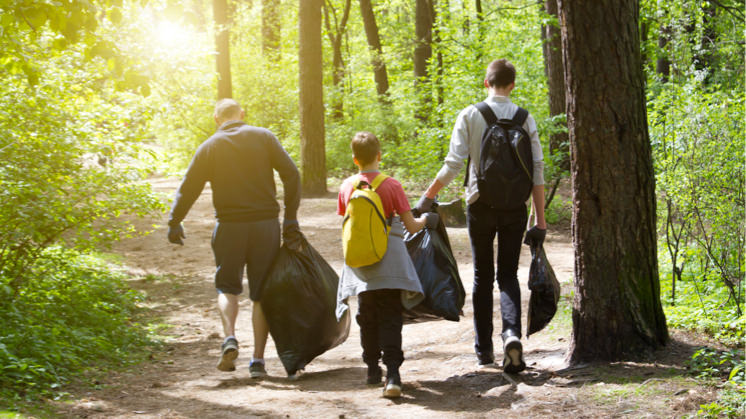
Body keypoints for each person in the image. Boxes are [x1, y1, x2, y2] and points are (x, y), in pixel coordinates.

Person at [415, 59, 547, 373]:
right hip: (515, 208)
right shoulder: (525, 119)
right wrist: (540, 219)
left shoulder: (470, 114)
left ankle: (484, 350)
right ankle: (512, 334)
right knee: (508, 276)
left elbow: (453, 164)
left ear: (486, 83)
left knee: (482, 277)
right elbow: (538, 171)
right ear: (512, 85)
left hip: (480, 204)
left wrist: (427, 198)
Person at [167, 98, 302, 379]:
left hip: (229, 227)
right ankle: (257, 362)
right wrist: (290, 217)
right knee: (261, 293)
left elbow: (188, 188)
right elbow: (291, 174)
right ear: (242, 114)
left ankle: (229, 337)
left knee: (227, 288)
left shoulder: (210, 146)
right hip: (266, 226)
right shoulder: (263, 137)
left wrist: (175, 220)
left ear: (217, 119)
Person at [336, 131, 439, 398]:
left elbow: (348, 225)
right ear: (379, 156)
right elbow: (412, 226)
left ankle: (371, 369)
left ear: (355, 159)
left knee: (367, 315)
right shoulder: (392, 185)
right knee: (391, 316)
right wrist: (428, 219)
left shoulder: (347, 187)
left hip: (359, 263)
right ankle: (393, 374)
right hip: (389, 260)